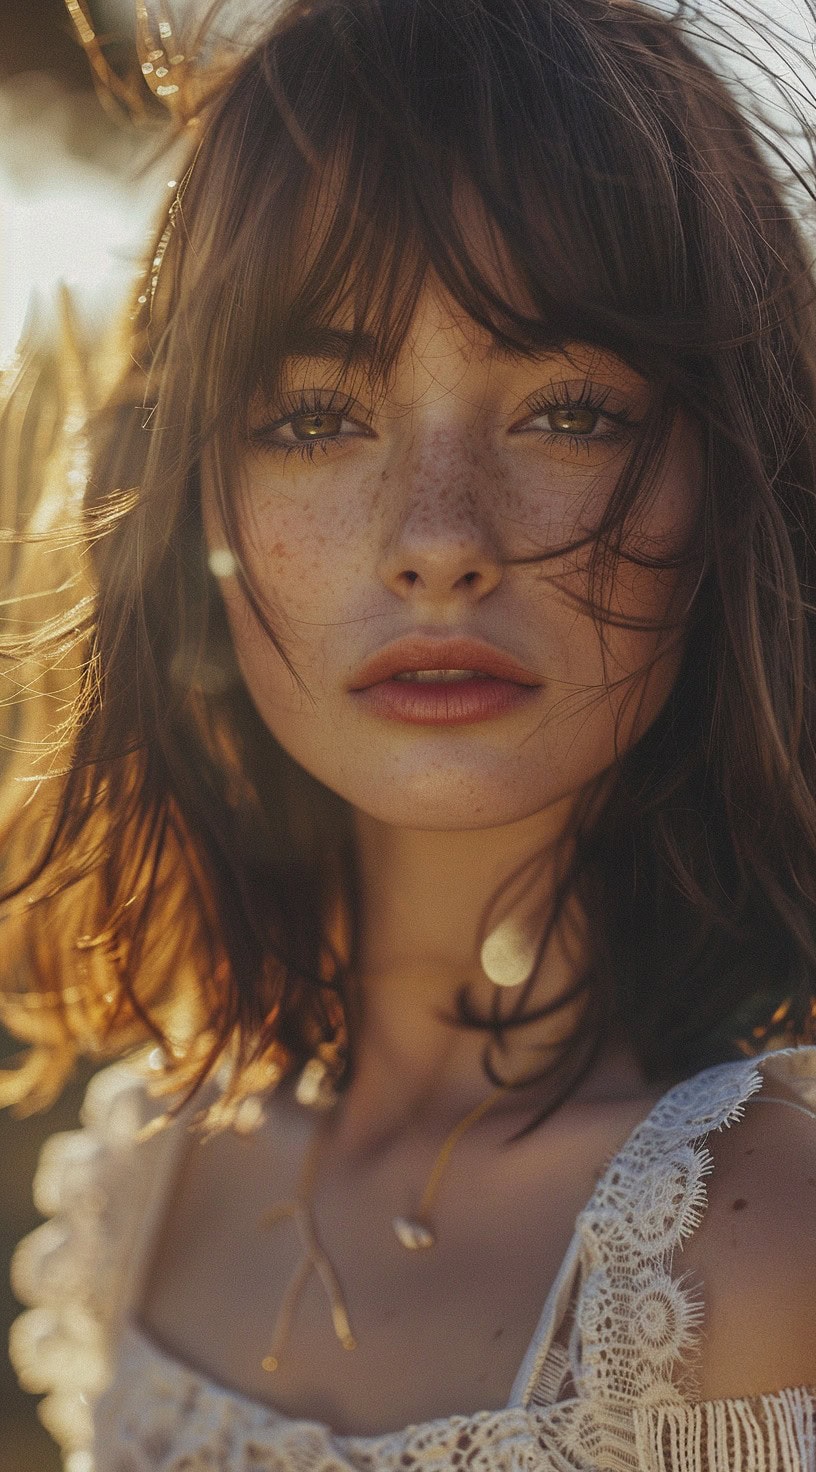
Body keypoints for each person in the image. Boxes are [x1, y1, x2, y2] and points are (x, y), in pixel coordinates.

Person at [3, 0, 816, 1466]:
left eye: (570, 411)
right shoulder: (152, 1184)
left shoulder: (765, 1253)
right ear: (192, 499)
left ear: (733, 485)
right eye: (317, 415)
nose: (439, 541)